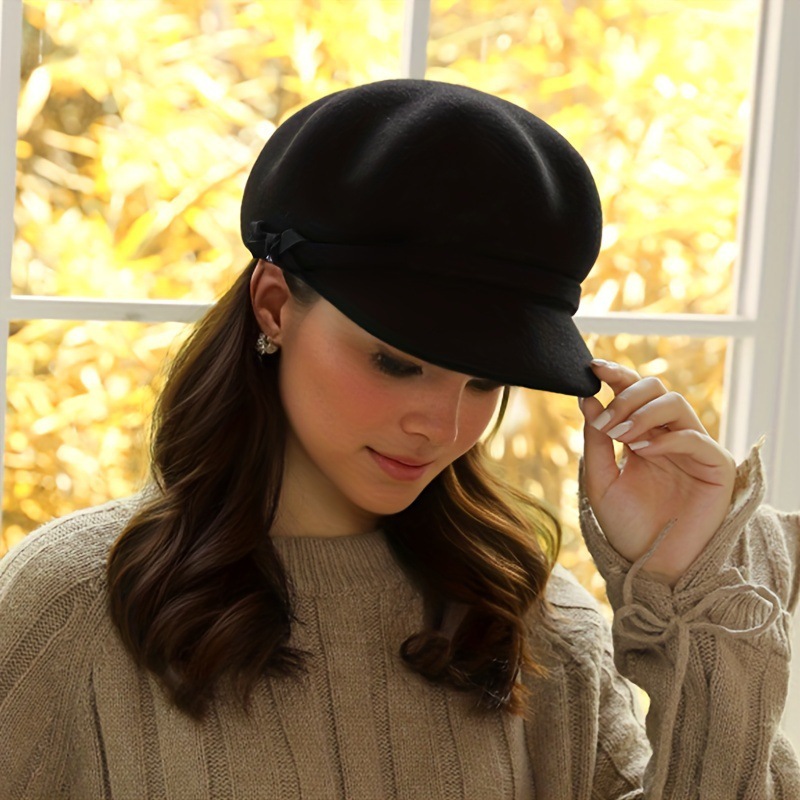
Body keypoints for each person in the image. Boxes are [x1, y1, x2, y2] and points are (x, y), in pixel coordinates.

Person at [1, 78, 798, 800]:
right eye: (397, 363)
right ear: (274, 305)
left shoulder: (530, 620)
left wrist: (687, 582)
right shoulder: (71, 607)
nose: (443, 427)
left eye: (484, 382)